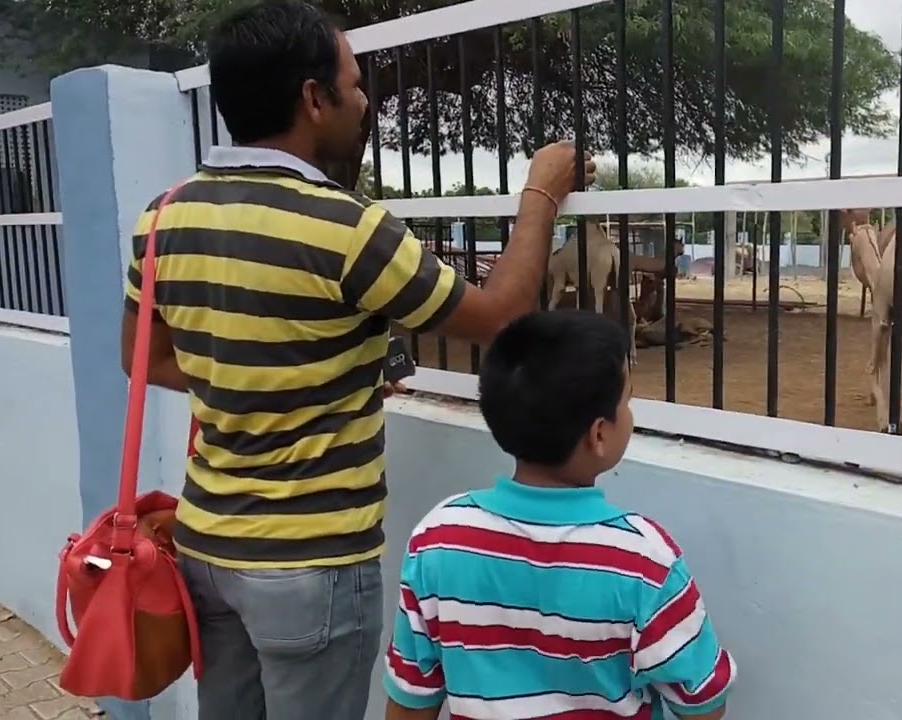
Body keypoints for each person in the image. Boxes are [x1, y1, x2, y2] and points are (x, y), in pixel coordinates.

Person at [117, 0, 594, 717]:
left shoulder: (164, 215)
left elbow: (143, 359)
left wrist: (282, 372)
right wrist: (540, 194)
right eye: (356, 84)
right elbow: (500, 317)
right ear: (314, 99)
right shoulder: (346, 226)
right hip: (311, 563)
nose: (366, 102)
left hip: (206, 546)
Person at [383, 309, 736, 720]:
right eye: (627, 401)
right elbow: (702, 702)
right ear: (599, 434)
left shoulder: (438, 538)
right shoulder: (645, 560)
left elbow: (411, 699)